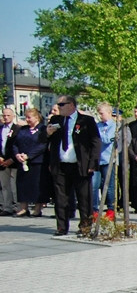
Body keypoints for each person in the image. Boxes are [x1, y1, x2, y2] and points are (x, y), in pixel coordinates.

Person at [46, 95, 101, 237]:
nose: (58, 107)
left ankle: (85, 226)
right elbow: (43, 140)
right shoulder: (56, 120)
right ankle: (61, 227)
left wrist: (93, 163)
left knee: (84, 198)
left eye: (61, 105)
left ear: (71, 105)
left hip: (80, 165)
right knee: (60, 198)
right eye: (58, 105)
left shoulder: (86, 121)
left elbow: (96, 142)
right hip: (61, 165)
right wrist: (47, 133)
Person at [11, 108, 47, 217]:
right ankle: (23, 208)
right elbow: (15, 143)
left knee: (37, 186)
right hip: (22, 161)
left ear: (36, 117)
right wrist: (17, 154)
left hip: (37, 162)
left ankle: (37, 208)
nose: (27, 119)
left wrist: (29, 155)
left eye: (29, 117)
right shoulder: (23, 129)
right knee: (22, 185)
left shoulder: (43, 129)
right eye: (26, 117)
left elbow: (42, 145)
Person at [92, 102, 117, 218]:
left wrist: (97, 134)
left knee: (108, 186)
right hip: (97, 159)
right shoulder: (98, 125)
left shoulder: (114, 126)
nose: (100, 116)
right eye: (99, 114)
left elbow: (107, 139)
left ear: (108, 113)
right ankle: (94, 209)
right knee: (94, 185)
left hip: (107, 159)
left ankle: (110, 209)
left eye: (102, 113)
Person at [0, 107, 21, 215]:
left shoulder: (18, 129)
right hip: (2, 161)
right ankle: (6, 207)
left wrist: (12, 159)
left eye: (8, 115)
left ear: (13, 116)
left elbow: (18, 145)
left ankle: (18, 207)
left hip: (14, 161)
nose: (6, 117)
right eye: (4, 115)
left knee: (14, 185)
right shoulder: (0, 128)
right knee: (5, 185)